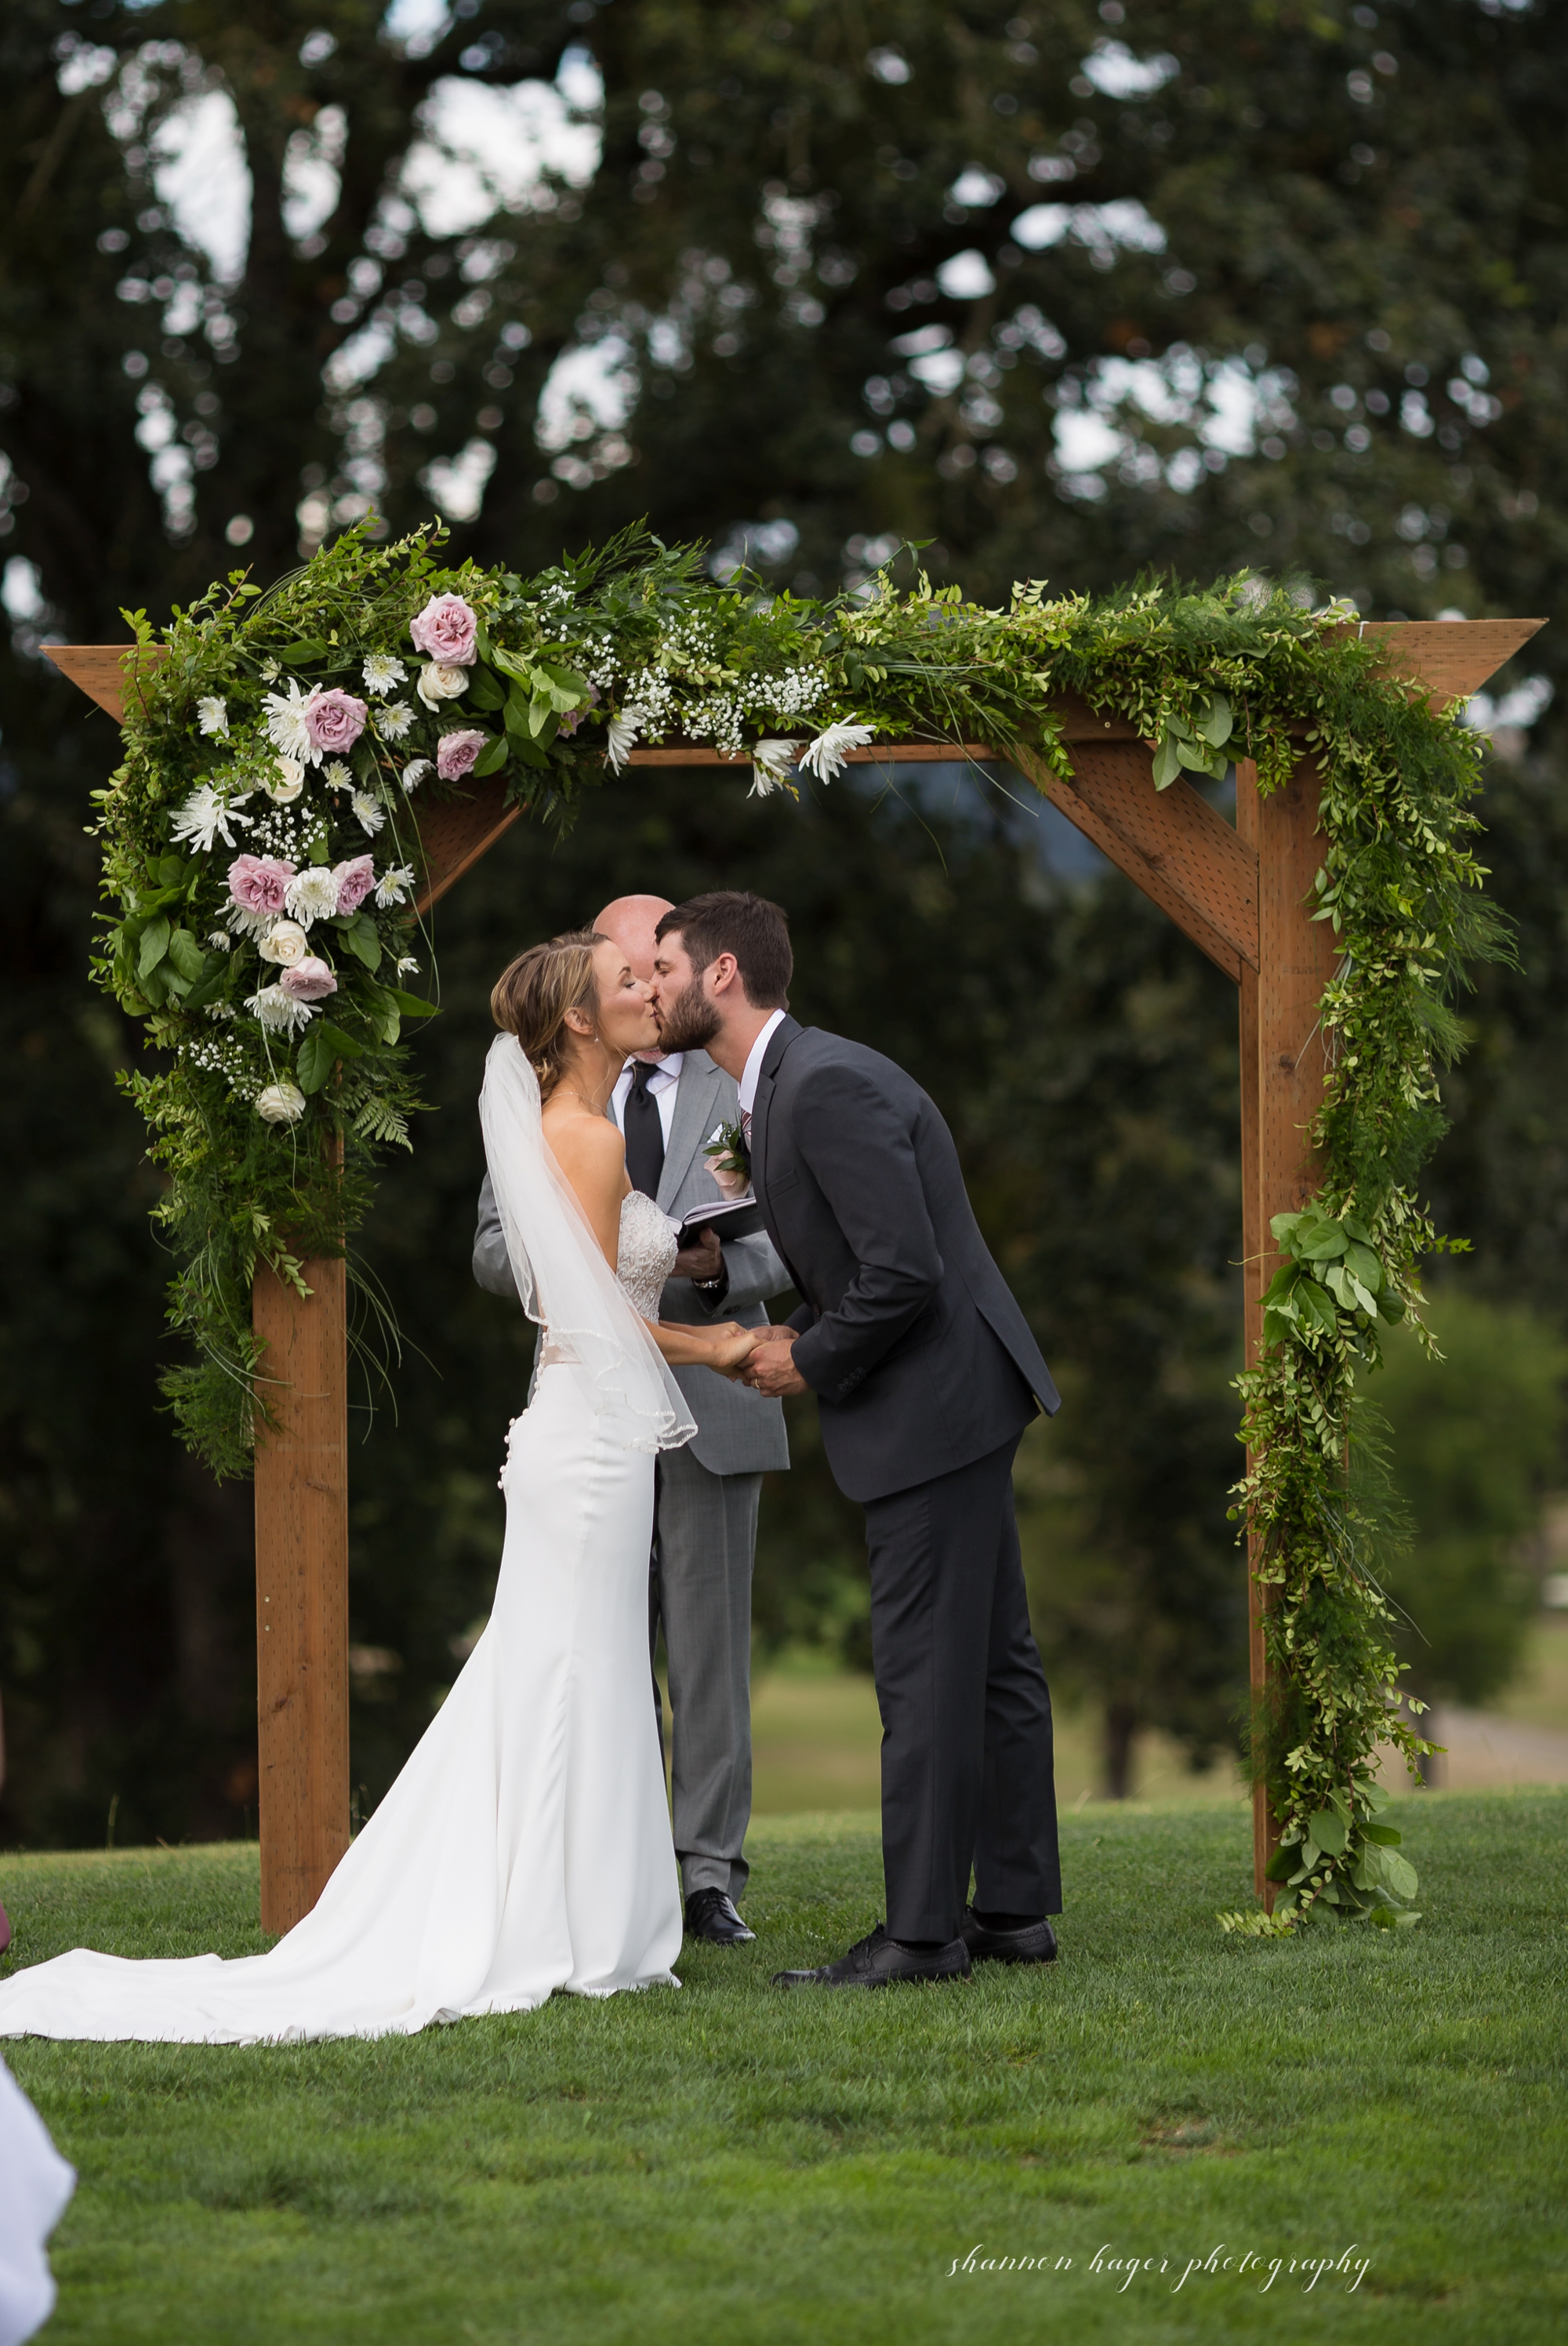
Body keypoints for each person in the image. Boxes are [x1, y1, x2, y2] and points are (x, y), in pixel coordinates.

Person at [0, 933, 757, 2043]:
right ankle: (562, 1927)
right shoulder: (588, 1140)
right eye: (628, 983)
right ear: (581, 1024)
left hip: (584, 1437)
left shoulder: (572, 1130)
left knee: (562, 1665)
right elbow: (597, 1321)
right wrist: (726, 1344)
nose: (654, 989)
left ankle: (572, 1912)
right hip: (588, 1444)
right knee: (572, 1669)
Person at [650, 892, 1064, 1990]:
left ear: (723, 974)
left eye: (663, 967)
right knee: (994, 1664)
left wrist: (808, 1359)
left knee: (928, 1671)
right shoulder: (780, 1086)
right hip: (955, 1394)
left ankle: (924, 1935)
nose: (648, 988)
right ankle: (1013, 1910)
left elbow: (904, 1272)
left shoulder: (822, 1084)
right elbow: (865, 1260)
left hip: (934, 1403)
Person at [474, 895, 792, 1947]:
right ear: (589, 997)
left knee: (709, 1658)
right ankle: (595, 1864)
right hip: (602, 1404)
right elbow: (496, 1249)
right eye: (633, 969)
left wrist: (713, 1267)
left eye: (659, 963)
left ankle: (706, 1879)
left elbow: (784, 1242)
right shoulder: (546, 1109)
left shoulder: (727, 1088)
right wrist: (577, 1249)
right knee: (594, 1645)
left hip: (711, 1411)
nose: (652, 984)